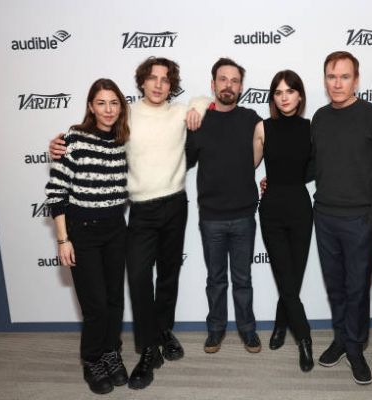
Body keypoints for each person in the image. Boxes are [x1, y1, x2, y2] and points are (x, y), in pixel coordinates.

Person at [49, 57, 208, 390]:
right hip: (140, 211)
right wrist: (58, 145)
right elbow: (91, 135)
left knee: (168, 275)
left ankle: (162, 332)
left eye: (166, 79)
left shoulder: (180, 112)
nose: (159, 84)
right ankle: (147, 350)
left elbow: (205, 102)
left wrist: (197, 104)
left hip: (175, 204)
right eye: (152, 78)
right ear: (141, 83)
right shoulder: (125, 116)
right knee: (137, 279)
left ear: (172, 84)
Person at [312, 51, 372, 385]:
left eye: (344, 77)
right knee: (335, 288)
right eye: (332, 76)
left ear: (356, 80)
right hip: (325, 217)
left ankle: (356, 347)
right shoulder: (319, 117)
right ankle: (341, 339)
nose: (337, 83)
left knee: (357, 289)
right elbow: (314, 164)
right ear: (325, 80)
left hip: (359, 220)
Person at [45, 78, 130, 394]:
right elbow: (56, 192)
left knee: (114, 300)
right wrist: (63, 239)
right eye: (101, 103)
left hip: (115, 230)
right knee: (95, 305)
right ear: (91, 107)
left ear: (121, 107)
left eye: (114, 103)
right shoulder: (73, 140)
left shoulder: (123, 142)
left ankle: (111, 352)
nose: (108, 109)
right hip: (82, 232)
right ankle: (92, 359)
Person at [186, 58, 262, 355]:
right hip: (211, 218)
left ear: (241, 86)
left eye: (234, 80)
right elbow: (183, 160)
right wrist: (194, 107)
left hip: (244, 215)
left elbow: (276, 145)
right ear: (213, 84)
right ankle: (215, 330)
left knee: (243, 280)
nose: (228, 85)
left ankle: (248, 330)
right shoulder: (199, 120)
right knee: (215, 280)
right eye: (223, 79)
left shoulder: (251, 118)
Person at [253, 70, 314, 372]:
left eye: (290, 91)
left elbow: (313, 169)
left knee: (292, 279)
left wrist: (286, 177)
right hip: (272, 210)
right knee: (284, 274)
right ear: (273, 98)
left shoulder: (310, 128)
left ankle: (280, 325)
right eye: (278, 92)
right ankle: (304, 337)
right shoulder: (262, 128)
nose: (285, 96)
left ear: (300, 95)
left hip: (302, 209)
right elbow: (249, 163)